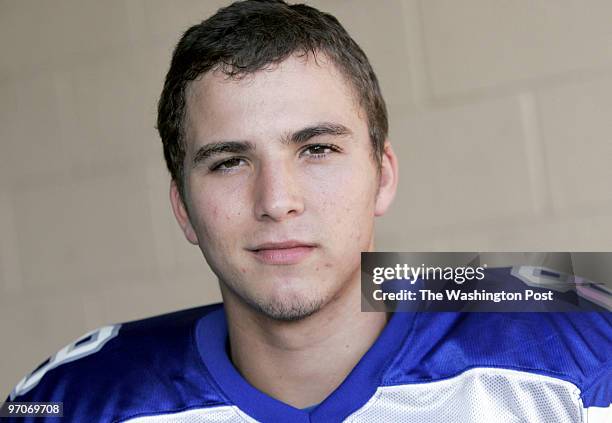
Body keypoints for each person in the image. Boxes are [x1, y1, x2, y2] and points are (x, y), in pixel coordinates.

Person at [4, 1, 611, 422]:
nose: (276, 201)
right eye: (228, 162)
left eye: (317, 149)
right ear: (183, 209)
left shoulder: (577, 326)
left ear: (383, 174)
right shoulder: (77, 397)